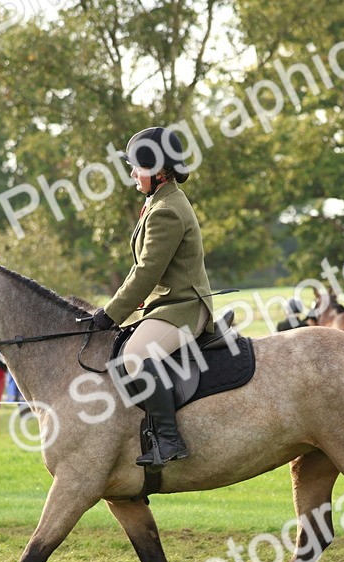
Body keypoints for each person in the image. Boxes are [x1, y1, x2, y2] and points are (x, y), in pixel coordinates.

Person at [87, 126, 214, 469]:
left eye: (137, 167)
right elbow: (141, 270)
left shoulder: (166, 211)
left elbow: (146, 273)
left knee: (135, 354)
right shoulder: (158, 202)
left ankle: (169, 439)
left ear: (158, 171)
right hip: (169, 305)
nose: (132, 174)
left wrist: (110, 314)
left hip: (184, 308)